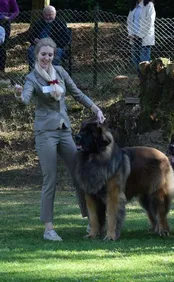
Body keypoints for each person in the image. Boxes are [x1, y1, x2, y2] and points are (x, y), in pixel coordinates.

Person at [14, 38, 106, 241]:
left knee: (80, 175)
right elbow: (25, 100)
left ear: (53, 56)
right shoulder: (32, 78)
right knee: (51, 179)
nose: (46, 58)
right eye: (43, 54)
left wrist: (95, 108)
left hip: (64, 130)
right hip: (45, 132)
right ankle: (48, 228)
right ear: (36, 55)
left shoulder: (61, 72)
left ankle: (92, 221)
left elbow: (77, 93)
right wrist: (20, 95)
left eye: (50, 54)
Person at [27, 5, 70, 70]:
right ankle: (35, 71)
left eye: (50, 15)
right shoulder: (39, 23)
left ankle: (52, 72)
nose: (48, 17)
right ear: (43, 15)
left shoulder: (60, 23)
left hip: (55, 47)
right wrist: (34, 40)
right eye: (46, 15)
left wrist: (52, 43)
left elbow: (66, 39)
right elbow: (30, 37)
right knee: (31, 50)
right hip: (39, 47)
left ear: (55, 14)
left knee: (58, 52)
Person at [127, 0, 156, 77]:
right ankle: (140, 78)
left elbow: (149, 22)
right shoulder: (133, 7)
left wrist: (139, 35)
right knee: (135, 60)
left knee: (144, 61)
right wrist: (130, 34)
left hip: (144, 38)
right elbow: (129, 21)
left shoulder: (149, 5)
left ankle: (146, 79)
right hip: (133, 38)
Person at [0, 0, 19, 83]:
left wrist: (9, 17)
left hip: (4, 24)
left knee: (2, 48)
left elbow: (16, 11)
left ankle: (1, 71)